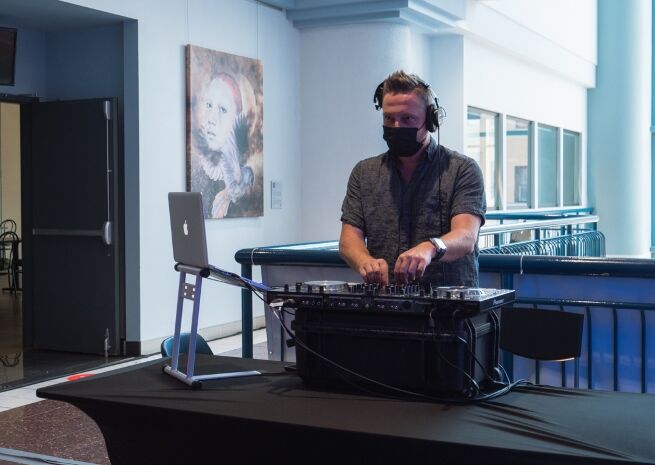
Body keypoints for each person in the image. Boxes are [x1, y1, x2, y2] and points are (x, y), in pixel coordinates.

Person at [339, 70, 486, 288]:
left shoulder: (461, 169)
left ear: (430, 120)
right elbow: (348, 240)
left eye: (407, 119)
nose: (396, 126)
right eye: (389, 118)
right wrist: (365, 261)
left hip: (450, 309)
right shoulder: (364, 173)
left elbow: (465, 236)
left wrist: (430, 247)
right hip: (387, 304)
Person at [191, 72, 254, 218]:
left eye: (223, 109)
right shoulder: (196, 171)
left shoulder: (237, 169)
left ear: (235, 120)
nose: (211, 119)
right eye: (208, 105)